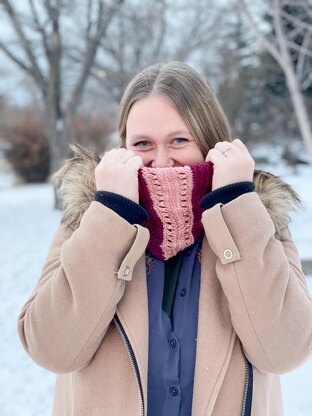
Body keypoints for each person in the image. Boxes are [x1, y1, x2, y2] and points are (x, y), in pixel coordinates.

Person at [17, 62, 312, 416]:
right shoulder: (86, 222)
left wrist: (237, 205)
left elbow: (285, 351)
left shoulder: (260, 220)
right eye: (143, 143)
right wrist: (111, 214)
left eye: (179, 140)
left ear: (211, 142)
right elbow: (53, 350)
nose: (160, 162)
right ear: (123, 148)